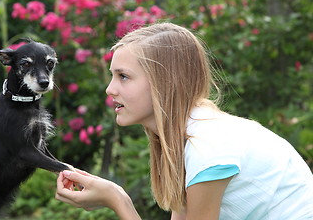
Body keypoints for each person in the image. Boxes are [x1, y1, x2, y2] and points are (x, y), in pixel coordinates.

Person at [55, 22, 313, 219]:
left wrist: (118, 199)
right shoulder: (189, 137)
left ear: (164, 82)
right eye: (113, 76)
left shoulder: (207, 146)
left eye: (123, 76)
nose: (110, 89)